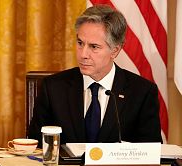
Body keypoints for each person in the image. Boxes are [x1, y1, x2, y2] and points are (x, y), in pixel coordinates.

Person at [28, 5, 162, 146]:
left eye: (94, 47)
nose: (83, 54)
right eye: (80, 43)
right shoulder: (53, 88)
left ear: (115, 51)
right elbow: (36, 147)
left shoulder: (142, 92)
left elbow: (151, 152)